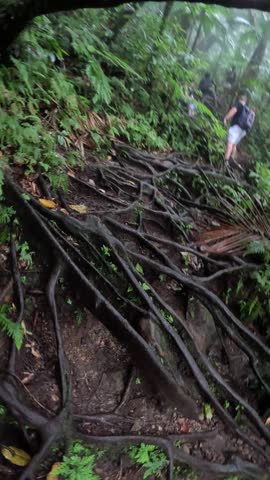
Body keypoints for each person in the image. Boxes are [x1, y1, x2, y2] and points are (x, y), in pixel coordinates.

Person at [223, 92, 255, 168]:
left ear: (240, 99)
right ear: (246, 101)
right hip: (244, 130)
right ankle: (233, 160)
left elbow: (233, 111)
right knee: (234, 144)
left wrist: (226, 118)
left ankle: (225, 161)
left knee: (230, 143)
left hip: (236, 127)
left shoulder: (239, 104)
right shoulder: (248, 109)